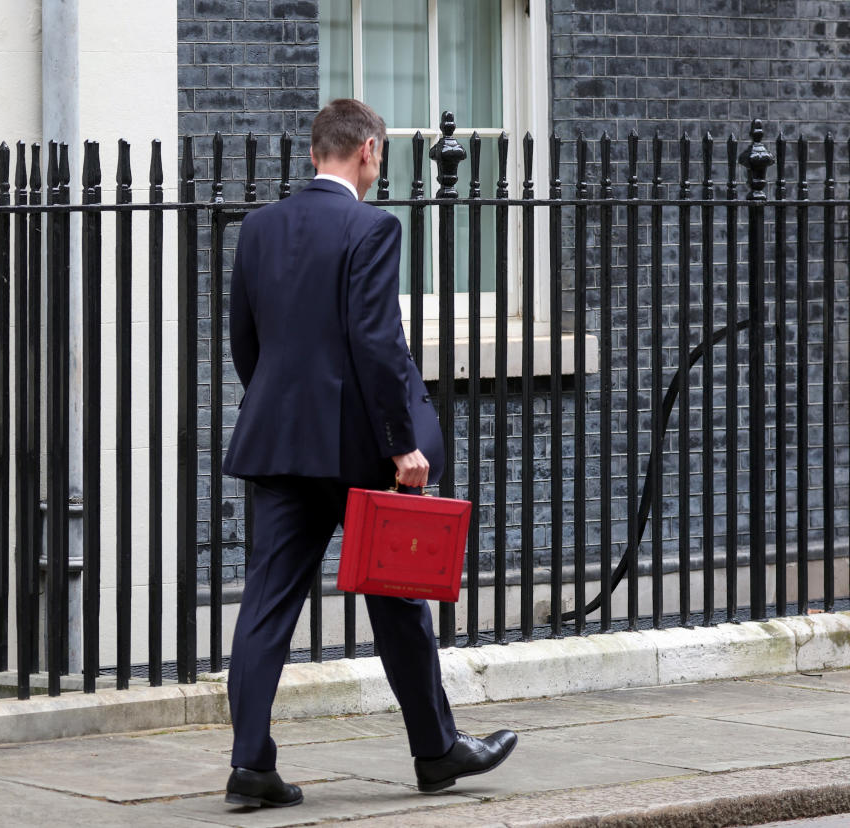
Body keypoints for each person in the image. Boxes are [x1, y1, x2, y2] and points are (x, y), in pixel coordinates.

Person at [221, 98, 517, 809]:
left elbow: (245, 340)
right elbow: (378, 344)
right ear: (368, 153)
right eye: (378, 157)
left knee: (264, 605)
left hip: (278, 442)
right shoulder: (371, 226)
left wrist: (278, 408)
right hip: (360, 452)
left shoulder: (258, 229)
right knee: (398, 600)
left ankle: (250, 762)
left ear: (317, 149)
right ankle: (436, 749)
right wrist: (403, 445)